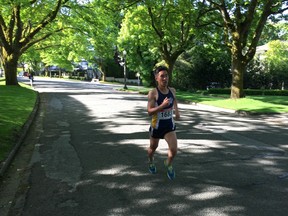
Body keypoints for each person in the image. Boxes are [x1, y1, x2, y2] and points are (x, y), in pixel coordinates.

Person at [147, 65, 180, 180]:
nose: (165, 78)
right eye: (162, 76)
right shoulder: (153, 93)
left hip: (168, 126)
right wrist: (162, 106)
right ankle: (151, 160)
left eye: (166, 76)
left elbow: (174, 99)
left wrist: (177, 112)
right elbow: (149, 112)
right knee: (152, 148)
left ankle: (169, 164)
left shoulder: (172, 90)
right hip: (157, 126)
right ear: (157, 78)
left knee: (174, 149)